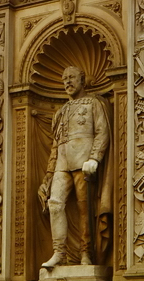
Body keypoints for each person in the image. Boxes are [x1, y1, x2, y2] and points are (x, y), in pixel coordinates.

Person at [37, 65, 111, 269]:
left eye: (71, 77)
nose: (67, 82)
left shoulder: (94, 103)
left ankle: (86, 253)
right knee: (55, 204)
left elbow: (102, 132)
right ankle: (59, 252)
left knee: (84, 209)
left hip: (84, 162)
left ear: (82, 79)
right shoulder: (61, 111)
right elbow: (55, 144)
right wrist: (49, 175)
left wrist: (95, 158)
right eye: (64, 79)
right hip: (62, 162)